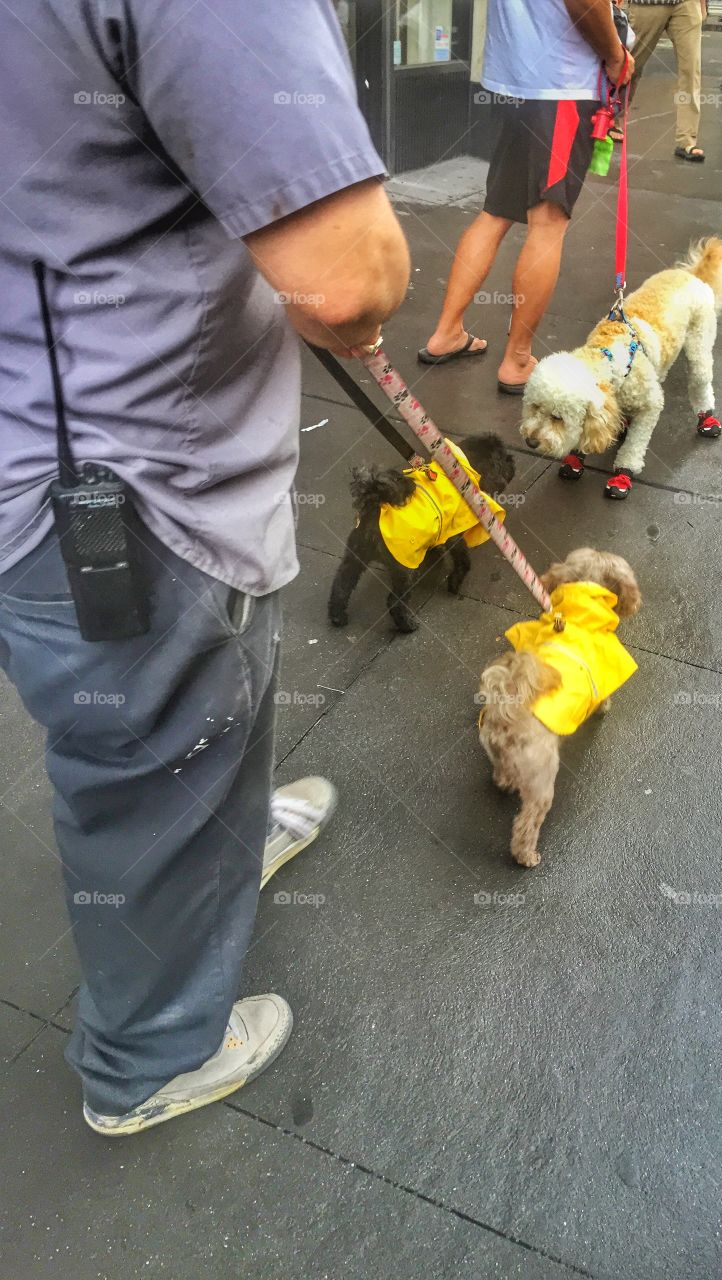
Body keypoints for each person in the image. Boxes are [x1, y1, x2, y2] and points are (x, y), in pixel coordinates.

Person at [0, 1, 409, 1135]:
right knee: (143, 747)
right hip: (126, 474)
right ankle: (148, 1056)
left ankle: (224, 845)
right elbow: (345, 280)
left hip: (59, 424)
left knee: (207, 696)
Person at [419, 0, 634, 394]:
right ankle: (517, 360)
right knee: (548, 224)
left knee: (496, 212)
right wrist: (617, 56)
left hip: (513, 81)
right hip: (561, 84)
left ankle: (447, 333)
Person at [623, 0, 708, 161]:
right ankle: (612, 118)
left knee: (691, 70)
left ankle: (687, 140)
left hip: (686, 4)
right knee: (631, 64)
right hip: (647, 5)